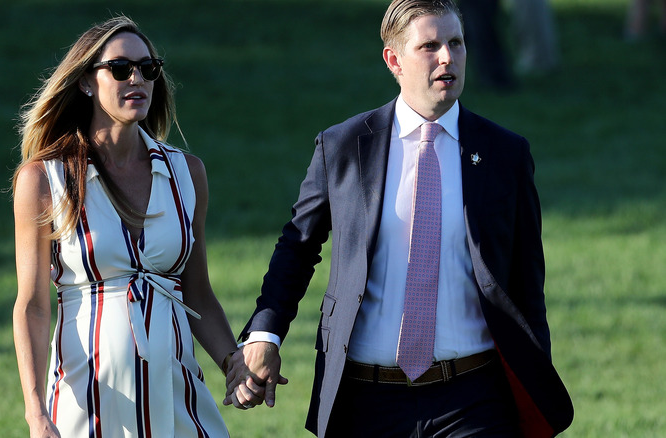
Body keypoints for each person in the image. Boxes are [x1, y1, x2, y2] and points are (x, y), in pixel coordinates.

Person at [223, 0, 573, 436]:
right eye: (430, 46)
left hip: (474, 399)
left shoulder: (506, 154)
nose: (447, 57)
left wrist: (535, 390)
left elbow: (526, 285)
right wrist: (265, 335)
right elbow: (297, 248)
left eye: (456, 43)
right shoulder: (345, 147)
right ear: (394, 60)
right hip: (367, 400)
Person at [12, 15, 237, 438]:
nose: (137, 77)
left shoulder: (187, 173)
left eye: (148, 68)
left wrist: (233, 363)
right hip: (88, 404)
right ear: (85, 82)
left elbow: (199, 294)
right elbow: (33, 305)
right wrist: (35, 411)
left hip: (178, 398)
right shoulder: (44, 180)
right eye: (120, 68)